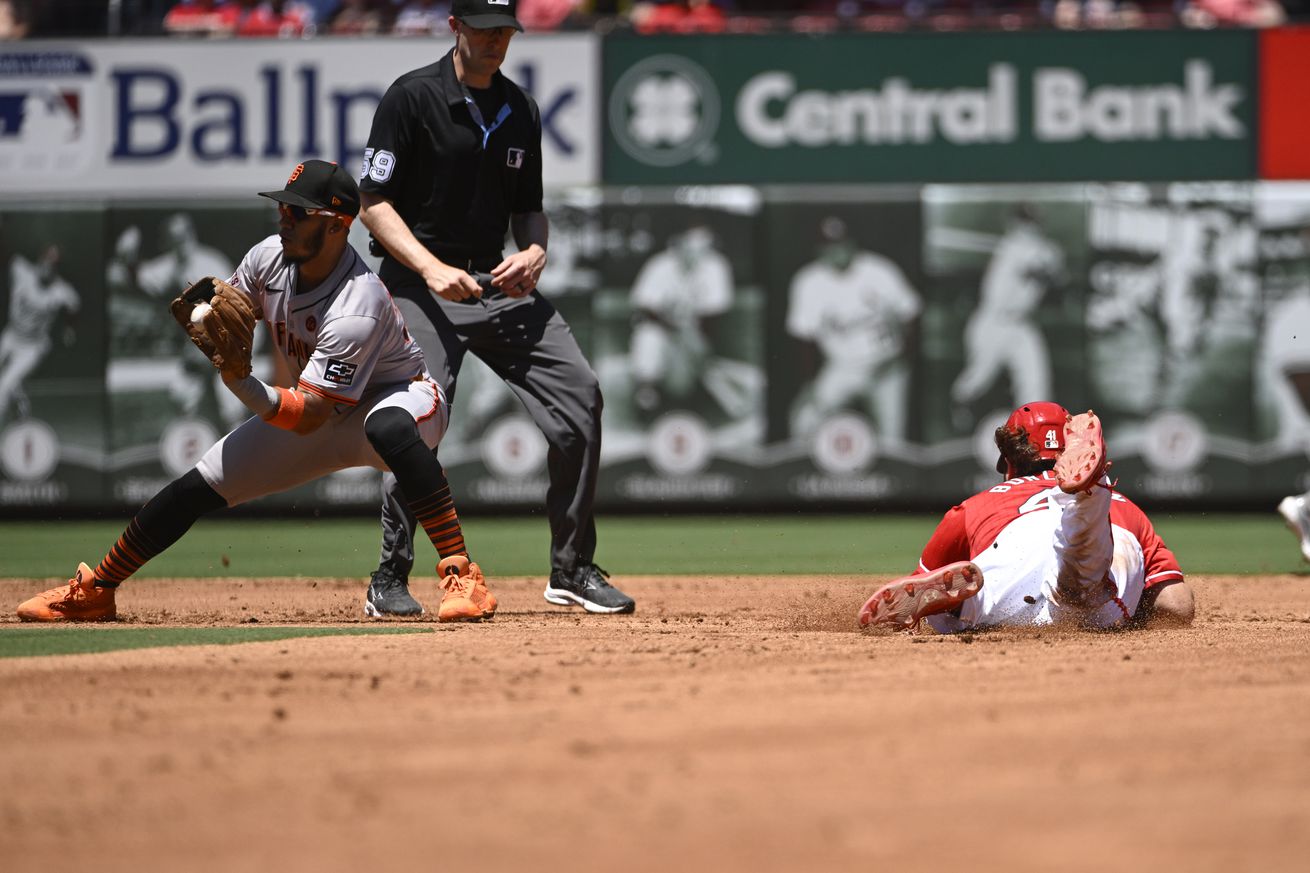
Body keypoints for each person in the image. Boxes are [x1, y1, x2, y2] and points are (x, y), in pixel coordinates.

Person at [16, 160, 495, 624]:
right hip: (324, 406)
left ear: (338, 225)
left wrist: (242, 383)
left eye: (299, 212)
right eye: (282, 207)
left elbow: (307, 416)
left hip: (401, 397)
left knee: (386, 425)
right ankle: (97, 590)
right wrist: (206, 319)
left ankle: (462, 573)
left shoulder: (357, 303)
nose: (284, 218)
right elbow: (226, 313)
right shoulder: (268, 257)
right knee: (197, 486)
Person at [357, 0, 634, 615]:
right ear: (455, 26)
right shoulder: (411, 98)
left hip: (495, 284)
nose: (495, 41)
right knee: (418, 417)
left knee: (581, 394)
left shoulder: (520, 108)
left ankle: (571, 569)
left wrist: (536, 250)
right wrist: (430, 267)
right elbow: (373, 202)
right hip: (417, 282)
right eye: (482, 29)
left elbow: (529, 206)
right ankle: (390, 576)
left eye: (504, 30)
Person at [858, 401, 1195, 633]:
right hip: (1108, 543)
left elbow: (919, 577)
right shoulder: (1128, 506)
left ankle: (959, 609)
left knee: (975, 600)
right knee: (1090, 570)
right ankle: (1088, 501)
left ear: (1009, 461)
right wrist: (1136, 616)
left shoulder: (976, 505)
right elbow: (1177, 607)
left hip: (1010, 555)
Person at [786, 215, 921, 447]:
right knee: (804, 421)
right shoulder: (808, 281)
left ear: (852, 244)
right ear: (819, 251)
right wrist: (809, 384)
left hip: (887, 366)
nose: (837, 252)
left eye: (842, 244)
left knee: (893, 441)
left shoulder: (880, 270)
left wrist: (902, 359)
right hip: (843, 367)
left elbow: (912, 314)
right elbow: (803, 338)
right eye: (829, 247)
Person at [950, 205, 1064, 424]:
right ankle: (960, 403)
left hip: (1021, 325)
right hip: (993, 322)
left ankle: (1034, 432)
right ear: (1014, 224)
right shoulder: (1011, 247)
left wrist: (1051, 264)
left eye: (1032, 221)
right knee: (978, 378)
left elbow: (1055, 276)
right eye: (1024, 221)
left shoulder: (1040, 248)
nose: (1028, 226)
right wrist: (1049, 263)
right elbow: (1038, 270)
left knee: (1036, 381)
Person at [628, 224, 734, 415]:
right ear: (677, 244)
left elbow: (715, 315)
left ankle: (699, 383)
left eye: (704, 247)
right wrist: (674, 328)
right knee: (647, 338)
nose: (697, 253)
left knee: (681, 389)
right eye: (692, 246)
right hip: (659, 328)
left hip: (694, 331)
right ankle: (646, 389)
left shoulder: (716, 266)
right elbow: (644, 310)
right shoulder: (659, 265)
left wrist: (699, 346)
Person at [0, 244, 79, 428]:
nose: (47, 268)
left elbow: (74, 307)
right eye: (45, 262)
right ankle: (20, 401)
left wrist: (70, 328)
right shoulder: (20, 269)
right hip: (11, 335)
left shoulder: (62, 291)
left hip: (32, 347)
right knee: (9, 382)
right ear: (38, 260)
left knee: (3, 386)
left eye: (52, 265)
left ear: (56, 269)